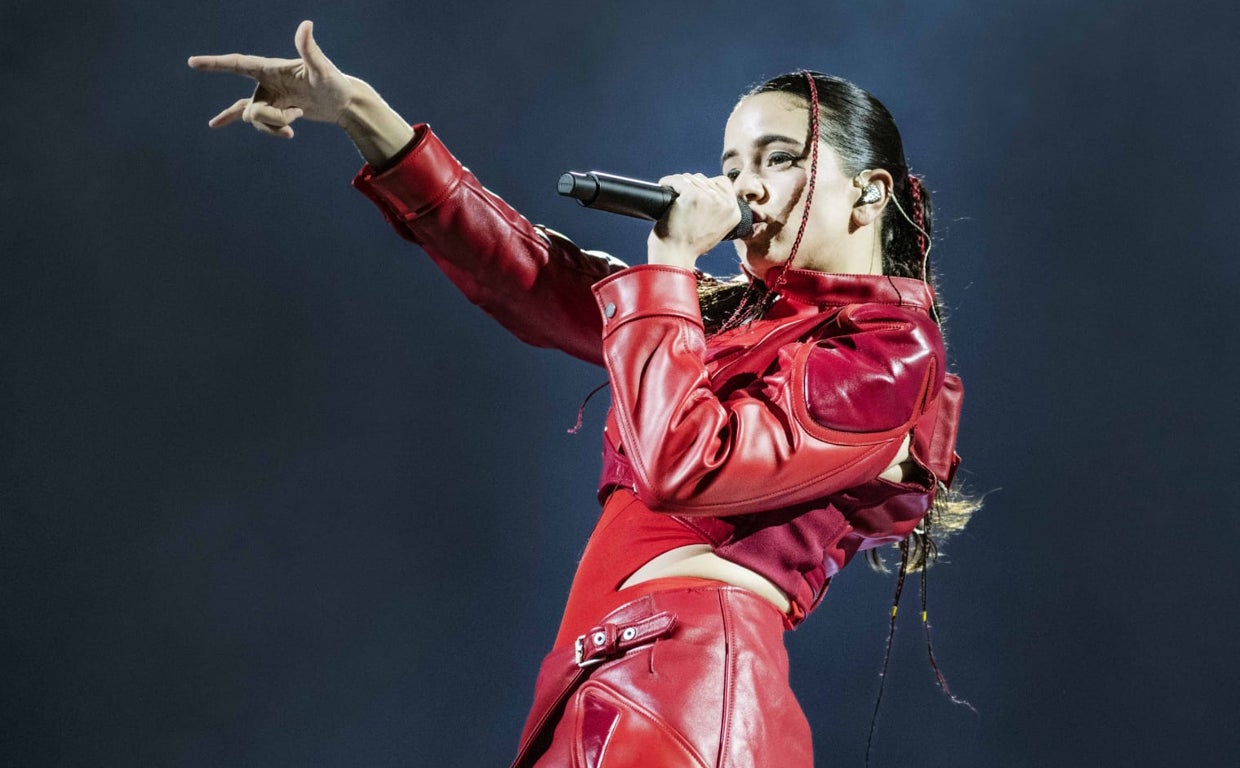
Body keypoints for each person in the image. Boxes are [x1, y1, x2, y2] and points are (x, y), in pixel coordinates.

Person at [190, 20, 977, 767]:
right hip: (605, 676)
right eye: (732, 166)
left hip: (691, 685)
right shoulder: (717, 312)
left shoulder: (890, 347)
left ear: (870, 193)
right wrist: (361, 111)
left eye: (778, 159)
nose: (742, 188)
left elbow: (684, 465)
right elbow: (529, 274)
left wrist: (668, 261)